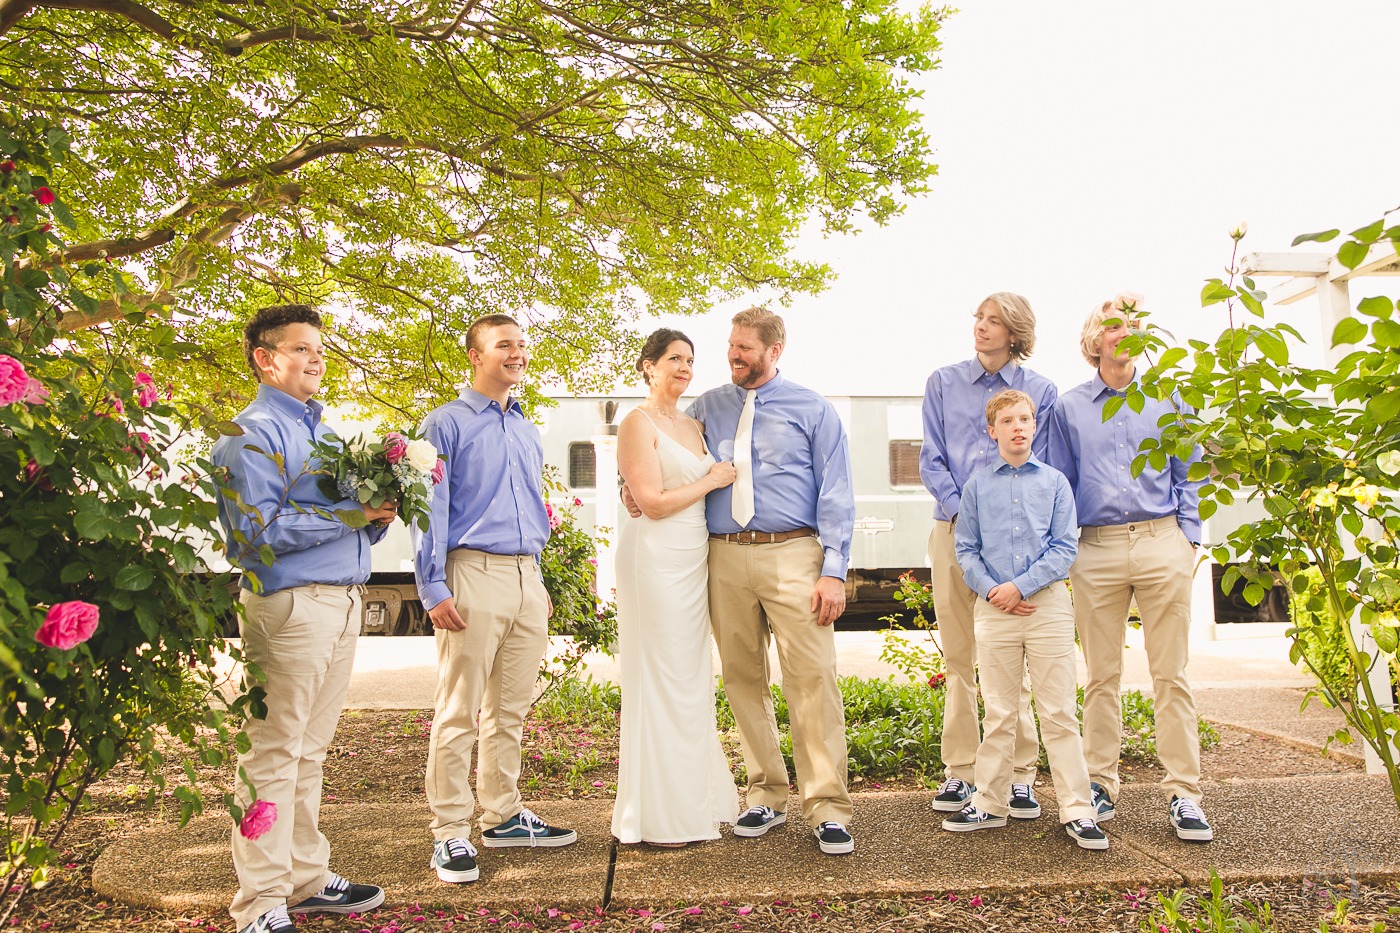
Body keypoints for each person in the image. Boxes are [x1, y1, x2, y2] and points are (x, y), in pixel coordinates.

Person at [213, 304, 395, 933]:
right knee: (272, 753)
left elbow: (345, 520)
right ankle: (259, 903)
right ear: (266, 359)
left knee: (309, 752)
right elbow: (256, 533)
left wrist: (376, 521)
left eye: (320, 348)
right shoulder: (252, 433)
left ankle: (305, 880)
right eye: (301, 348)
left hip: (340, 601)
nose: (317, 358)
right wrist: (352, 519)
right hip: (291, 606)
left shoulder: (324, 433)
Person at [414, 314, 577, 887]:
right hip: (471, 572)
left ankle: (502, 814)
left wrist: (538, 584)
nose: (518, 353)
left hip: (525, 577)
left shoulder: (526, 427)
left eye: (522, 344)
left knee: (510, 709)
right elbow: (428, 510)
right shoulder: (445, 424)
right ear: (474, 356)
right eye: (504, 345)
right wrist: (432, 585)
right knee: (459, 711)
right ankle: (450, 832)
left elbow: (531, 506)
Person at [1044, 293, 1214, 843]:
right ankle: (1099, 785)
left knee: (1172, 674)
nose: (1124, 332)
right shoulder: (1067, 408)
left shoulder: (1168, 396)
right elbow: (1060, 485)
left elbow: (1191, 471)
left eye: (1134, 324)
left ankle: (1184, 793)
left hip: (1162, 537)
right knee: (1101, 678)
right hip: (1095, 548)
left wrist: (1187, 537)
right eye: (1113, 325)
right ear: (1094, 339)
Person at [688, 306, 857, 856]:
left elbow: (836, 492)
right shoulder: (707, 408)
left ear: (774, 350)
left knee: (812, 680)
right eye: (731, 346)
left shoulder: (812, 408)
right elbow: (667, 453)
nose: (733, 356)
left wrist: (833, 570)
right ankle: (765, 793)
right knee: (741, 678)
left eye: (745, 348)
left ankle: (828, 806)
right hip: (724, 556)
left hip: (795, 554)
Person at [940, 390, 1106, 850]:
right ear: (992, 430)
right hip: (994, 609)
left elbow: (1064, 547)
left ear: (1034, 427)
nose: (1018, 427)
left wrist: (1022, 587)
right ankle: (990, 801)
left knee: (1058, 712)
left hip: (1046, 607)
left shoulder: (1055, 484)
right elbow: (966, 549)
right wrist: (996, 590)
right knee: (999, 710)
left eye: (1025, 419)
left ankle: (1077, 808)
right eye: (1008, 420)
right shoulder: (975, 487)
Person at [919, 293, 1058, 817]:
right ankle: (959, 770)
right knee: (959, 657)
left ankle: (1020, 773)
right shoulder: (942, 383)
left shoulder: (1041, 391)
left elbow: (1041, 468)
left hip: (1016, 544)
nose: (981, 327)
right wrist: (963, 515)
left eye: (994, 321)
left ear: (1015, 332)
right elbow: (931, 459)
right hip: (952, 531)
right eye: (978, 317)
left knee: (1010, 657)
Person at [611, 329, 740, 846]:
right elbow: (655, 501)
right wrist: (712, 479)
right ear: (648, 367)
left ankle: (692, 802)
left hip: (694, 558)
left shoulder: (695, 424)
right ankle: (658, 813)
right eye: (673, 359)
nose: (684, 368)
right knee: (659, 677)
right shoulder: (636, 423)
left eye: (690, 359)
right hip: (654, 558)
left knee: (690, 678)